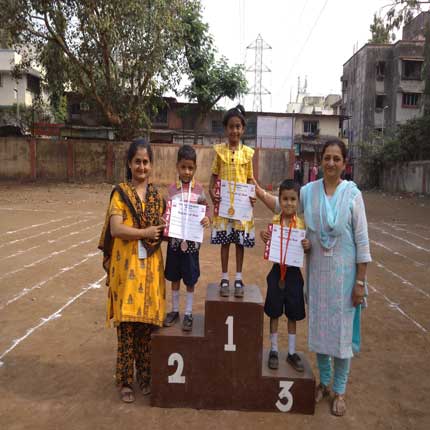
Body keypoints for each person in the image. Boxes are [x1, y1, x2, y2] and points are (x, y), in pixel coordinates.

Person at [253, 138, 371, 417]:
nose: (331, 163)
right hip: (317, 275)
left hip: (345, 277)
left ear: (344, 163)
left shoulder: (353, 195)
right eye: (327, 158)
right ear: (320, 161)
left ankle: (339, 390)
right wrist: (257, 192)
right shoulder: (309, 192)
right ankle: (325, 383)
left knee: (341, 335)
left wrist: (360, 282)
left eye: (336, 159)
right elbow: (284, 205)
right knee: (320, 332)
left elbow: (362, 241)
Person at [98, 138, 166, 403]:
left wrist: (196, 221)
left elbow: (164, 230)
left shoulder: (157, 197)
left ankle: (145, 377)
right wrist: (144, 232)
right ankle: (126, 380)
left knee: (146, 327)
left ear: (151, 165)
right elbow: (116, 229)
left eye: (146, 162)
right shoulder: (120, 193)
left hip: (150, 270)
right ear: (129, 163)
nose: (141, 166)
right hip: (126, 270)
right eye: (137, 161)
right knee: (126, 326)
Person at [260, 179, 311, 372]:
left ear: (298, 201)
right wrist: (264, 237)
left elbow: (306, 248)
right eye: (285, 199)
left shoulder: (302, 224)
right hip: (276, 272)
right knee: (273, 312)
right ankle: (273, 350)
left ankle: (291, 352)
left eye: (292, 199)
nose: (289, 203)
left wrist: (307, 246)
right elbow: (270, 243)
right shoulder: (275, 221)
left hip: (293, 275)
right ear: (279, 200)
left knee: (293, 314)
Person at [209, 105, 256, 298]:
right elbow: (212, 180)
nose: (234, 130)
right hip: (224, 207)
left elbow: (250, 180)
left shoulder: (248, 154)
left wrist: (252, 195)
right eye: (231, 126)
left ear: (243, 129)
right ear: (226, 129)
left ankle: (238, 277)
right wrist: (213, 195)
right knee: (225, 242)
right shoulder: (219, 152)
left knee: (239, 243)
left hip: (242, 208)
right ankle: (224, 277)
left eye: (238, 126)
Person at [163, 145, 210, 331]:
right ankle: (175, 311)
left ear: (195, 168)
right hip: (175, 243)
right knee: (174, 277)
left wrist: (207, 218)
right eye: (183, 167)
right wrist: (165, 220)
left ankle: (188, 313)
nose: (187, 171)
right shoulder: (172, 190)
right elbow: (168, 212)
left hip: (191, 244)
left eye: (190, 168)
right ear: (177, 167)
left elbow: (205, 208)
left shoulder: (199, 190)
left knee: (190, 280)